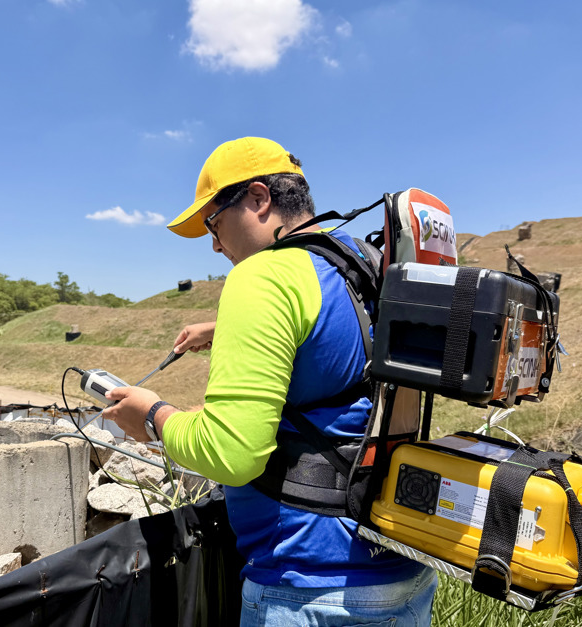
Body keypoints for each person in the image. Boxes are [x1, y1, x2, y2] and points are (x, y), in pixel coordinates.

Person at [103, 137, 436, 626]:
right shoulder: (359, 260)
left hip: (309, 588)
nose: (214, 244)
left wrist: (152, 415)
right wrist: (223, 328)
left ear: (259, 199)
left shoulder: (262, 277)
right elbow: (335, 341)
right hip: (403, 572)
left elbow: (229, 454)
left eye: (213, 223)